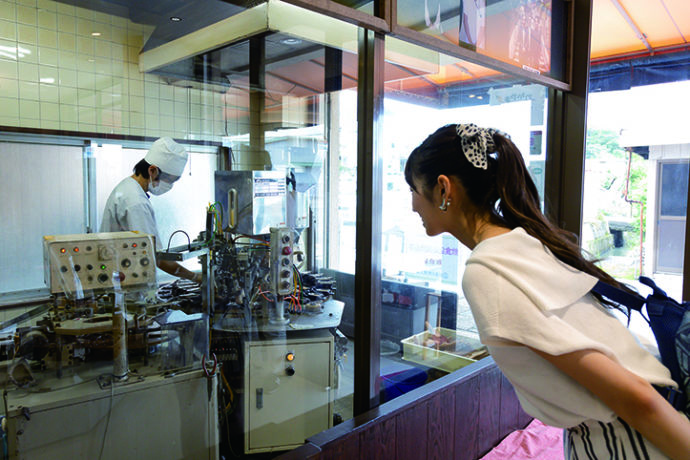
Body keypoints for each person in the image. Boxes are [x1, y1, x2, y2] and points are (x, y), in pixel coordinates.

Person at [405, 123, 690, 459]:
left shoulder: (486, 273)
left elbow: (635, 398)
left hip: (631, 440)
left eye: (413, 189)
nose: (412, 206)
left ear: (443, 189)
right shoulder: (522, 241)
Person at [100, 137, 202, 284]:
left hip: (122, 279)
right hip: (129, 288)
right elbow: (155, 257)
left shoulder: (127, 187)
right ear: (152, 170)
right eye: (169, 180)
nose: (169, 186)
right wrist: (195, 277)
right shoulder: (136, 202)